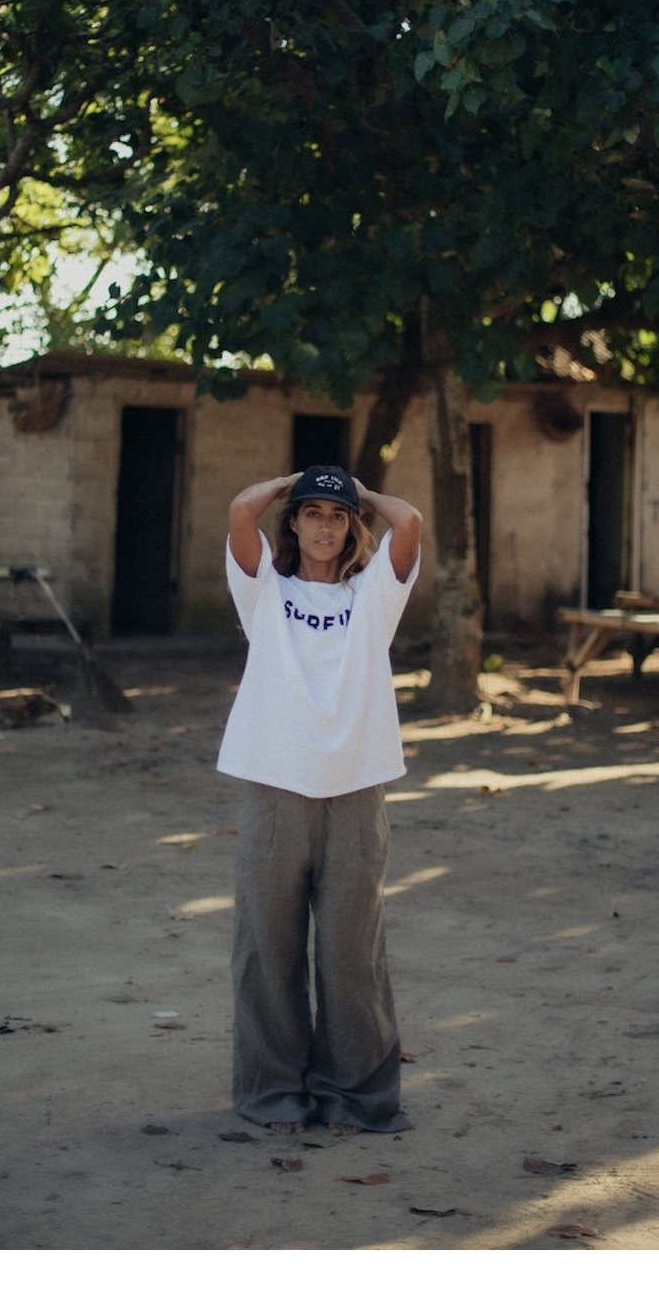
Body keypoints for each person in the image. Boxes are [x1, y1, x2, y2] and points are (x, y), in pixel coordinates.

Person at [219, 463, 423, 1136]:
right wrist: (290, 482)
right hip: (276, 783)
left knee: (349, 951)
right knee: (267, 946)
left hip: (357, 789)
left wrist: (359, 494)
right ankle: (273, 1092)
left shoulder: (373, 597)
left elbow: (412, 523)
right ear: (294, 523)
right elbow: (240, 511)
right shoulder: (264, 592)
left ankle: (357, 1096)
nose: (326, 527)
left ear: (353, 527)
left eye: (338, 518)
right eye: (312, 514)